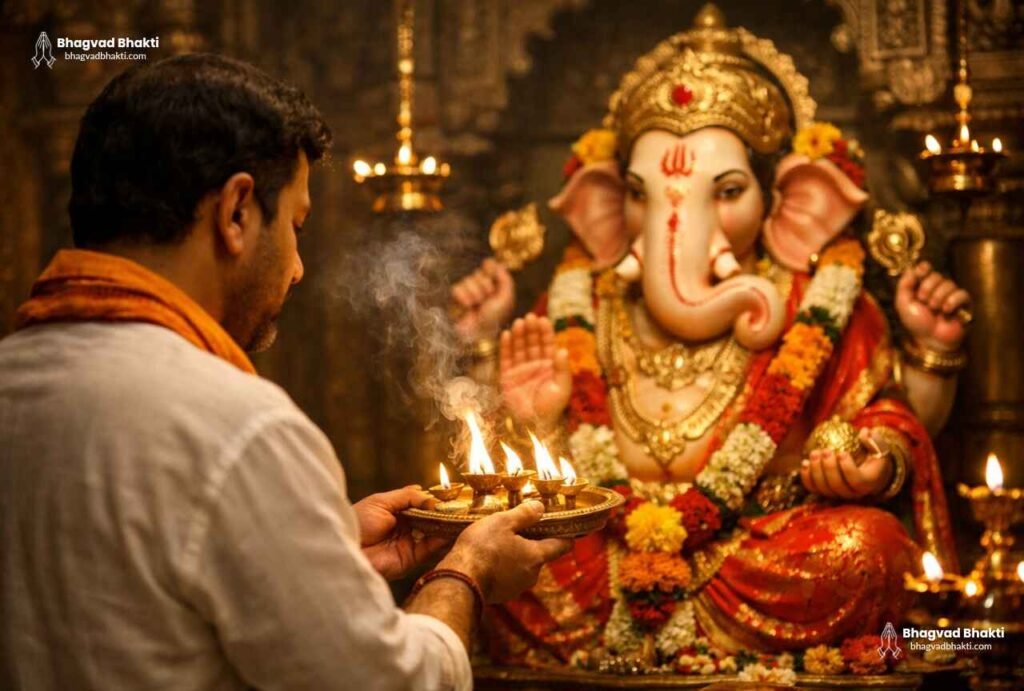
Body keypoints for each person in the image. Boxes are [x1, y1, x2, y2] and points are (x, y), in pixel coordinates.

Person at [0, 53, 571, 690]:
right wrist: (466, 572)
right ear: (237, 212)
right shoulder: (239, 429)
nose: (297, 268)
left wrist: (322, 542)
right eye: (296, 226)